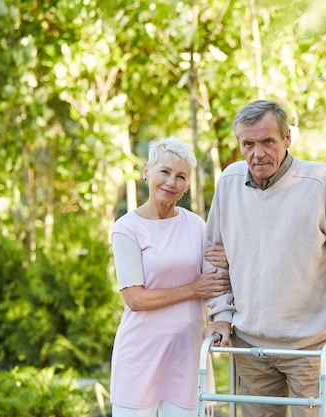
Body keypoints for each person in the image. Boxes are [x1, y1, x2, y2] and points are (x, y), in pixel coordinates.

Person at [202, 100, 326, 417]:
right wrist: (221, 314)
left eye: (267, 141)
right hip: (249, 346)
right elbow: (214, 255)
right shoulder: (229, 182)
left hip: (309, 347)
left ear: (286, 138)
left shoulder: (321, 182)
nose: (258, 153)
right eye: (248, 144)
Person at [110, 136, 230, 417]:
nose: (171, 182)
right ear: (146, 171)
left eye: (181, 176)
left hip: (187, 355)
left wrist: (222, 319)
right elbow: (135, 299)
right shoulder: (127, 229)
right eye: (164, 172)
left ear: (187, 184)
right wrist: (192, 289)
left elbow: (214, 283)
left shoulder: (197, 225)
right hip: (139, 356)